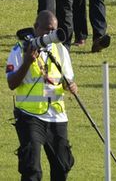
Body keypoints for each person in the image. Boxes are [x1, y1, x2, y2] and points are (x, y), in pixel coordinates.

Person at [6, 10, 77, 181]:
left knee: (62, 166)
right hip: (30, 116)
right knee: (32, 170)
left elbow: (67, 80)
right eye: (47, 30)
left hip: (57, 116)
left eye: (54, 30)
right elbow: (12, 84)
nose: (51, 34)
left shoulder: (60, 50)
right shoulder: (19, 49)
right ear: (36, 27)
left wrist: (71, 86)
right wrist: (27, 62)